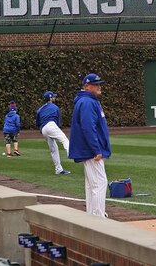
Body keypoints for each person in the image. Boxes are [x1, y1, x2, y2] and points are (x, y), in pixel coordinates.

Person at [69, 73, 111, 217]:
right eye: (95, 84)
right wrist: (96, 149)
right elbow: (88, 127)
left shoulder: (89, 101)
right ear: (86, 86)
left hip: (88, 149)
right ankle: (98, 217)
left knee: (92, 184)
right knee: (100, 182)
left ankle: (92, 215)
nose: (99, 87)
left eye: (99, 84)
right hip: (91, 150)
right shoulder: (87, 102)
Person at [36, 91, 70, 175]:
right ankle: (71, 154)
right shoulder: (55, 107)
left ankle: (58, 169)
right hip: (51, 125)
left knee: (53, 149)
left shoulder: (40, 109)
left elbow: (37, 123)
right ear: (50, 98)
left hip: (43, 128)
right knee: (65, 140)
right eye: (53, 97)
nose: (54, 98)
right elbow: (58, 123)